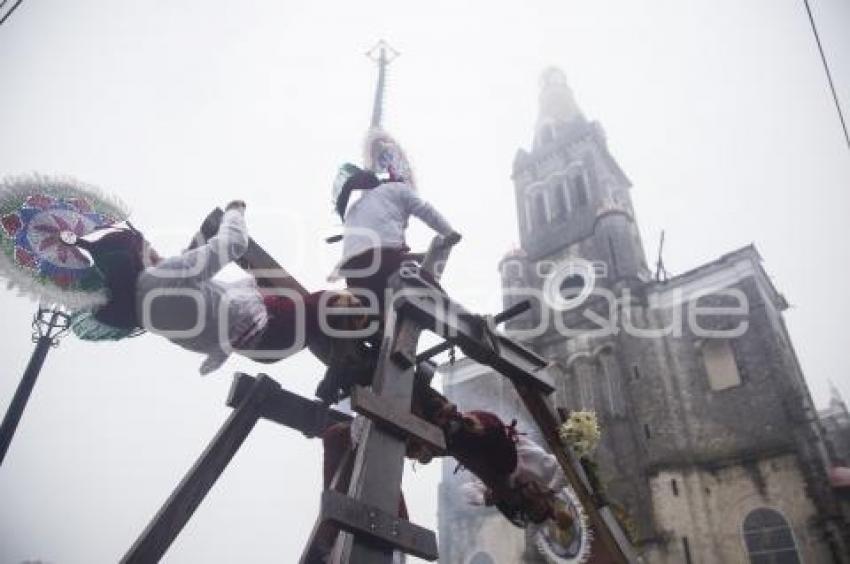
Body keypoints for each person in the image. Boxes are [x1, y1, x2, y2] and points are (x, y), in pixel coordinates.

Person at [76, 200, 334, 375]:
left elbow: (186, 287)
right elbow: (233, 243)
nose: (157, 255)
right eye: (149, 251)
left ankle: (344, 361)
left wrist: (186, 255)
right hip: (274, 323)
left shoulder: (147, 317)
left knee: (317, 316)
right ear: (134, 258)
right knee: (330, 304)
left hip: (259, 350)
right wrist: (234, 211)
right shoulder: (159, 280)